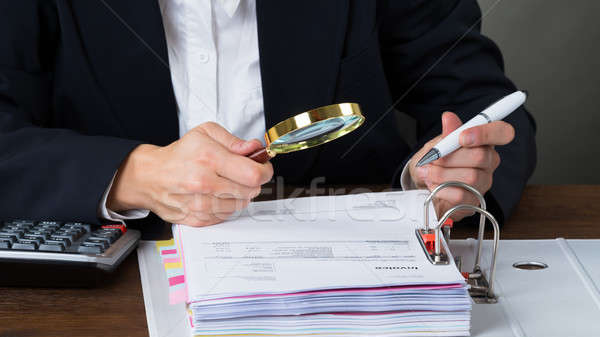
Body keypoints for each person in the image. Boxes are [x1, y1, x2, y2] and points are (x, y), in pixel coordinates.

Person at [0, 0, 535, 228]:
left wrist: (458, 174)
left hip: (350, 291)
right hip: (106, 300)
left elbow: (482, 105)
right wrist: (128, 174)